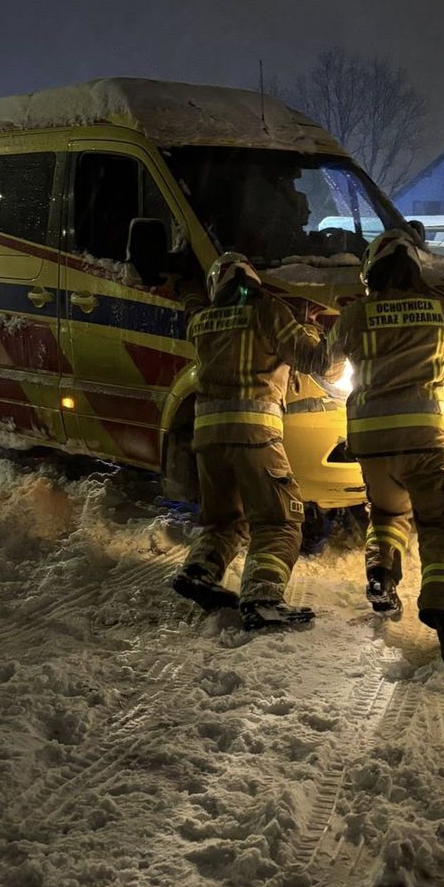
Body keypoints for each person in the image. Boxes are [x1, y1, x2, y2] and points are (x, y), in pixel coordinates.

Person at [314, 230, 444, 669]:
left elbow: (323, 365)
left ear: (370, 275)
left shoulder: (355, 314)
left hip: (370, 440)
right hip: (423, 438)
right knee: (443, 526)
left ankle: (381, 576)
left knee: (386, 515)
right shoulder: (437, 312)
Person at [171, 251, 320, 629]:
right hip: (255, 434)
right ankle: (263, 597)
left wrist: (186, 284)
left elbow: (192, 305)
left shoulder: (201, 322)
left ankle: (198, 573)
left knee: (223, 521)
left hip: (207, 439)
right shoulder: (267, 312)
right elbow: (315, 359)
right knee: (278, 521)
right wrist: (313, 329)